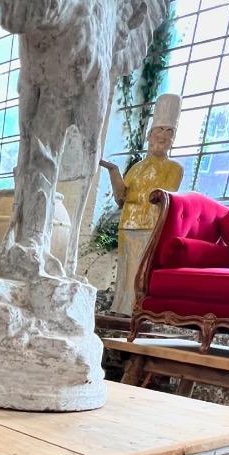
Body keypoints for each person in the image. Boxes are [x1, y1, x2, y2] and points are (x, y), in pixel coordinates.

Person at [100, 93, 183, 315]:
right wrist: (113, 171)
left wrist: (136, 198)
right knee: (126, 268)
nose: (163, 136)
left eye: (169, 132)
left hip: (151, 225)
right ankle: (120, 308)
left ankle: (138, 310)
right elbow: (121, 197)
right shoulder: (136, 168)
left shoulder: (174, 168)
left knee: (142, 269)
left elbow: (164, 197)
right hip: (128, 224)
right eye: (159, 130)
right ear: (149, 135)